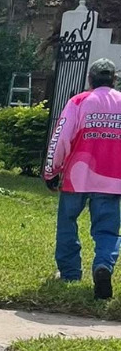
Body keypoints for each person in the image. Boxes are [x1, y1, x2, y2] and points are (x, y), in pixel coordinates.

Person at [43, 60, 121, 299]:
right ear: (114, 79)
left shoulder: (78, 102)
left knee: (68, 223)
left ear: (90, 79)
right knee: (107, 230)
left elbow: (62, 137)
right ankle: (103, 266)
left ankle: (69, 273)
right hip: (112, 179)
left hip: (77, 177)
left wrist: (51, 170)